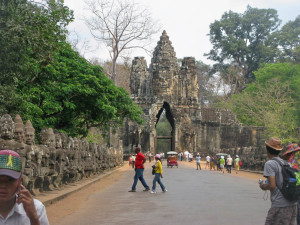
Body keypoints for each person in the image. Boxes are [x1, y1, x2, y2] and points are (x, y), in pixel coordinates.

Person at [0, 149, 49, 224]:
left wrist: (33, 217)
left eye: (10, 180)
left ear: (20, 181)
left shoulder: (36, 208)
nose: (3, 186)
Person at [259, 137, 297, 225]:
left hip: (280, 205)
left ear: (267, 150)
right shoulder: (286, 163)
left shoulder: (270, 164)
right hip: (292, 204)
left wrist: (263, 186)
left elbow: (272, 185)